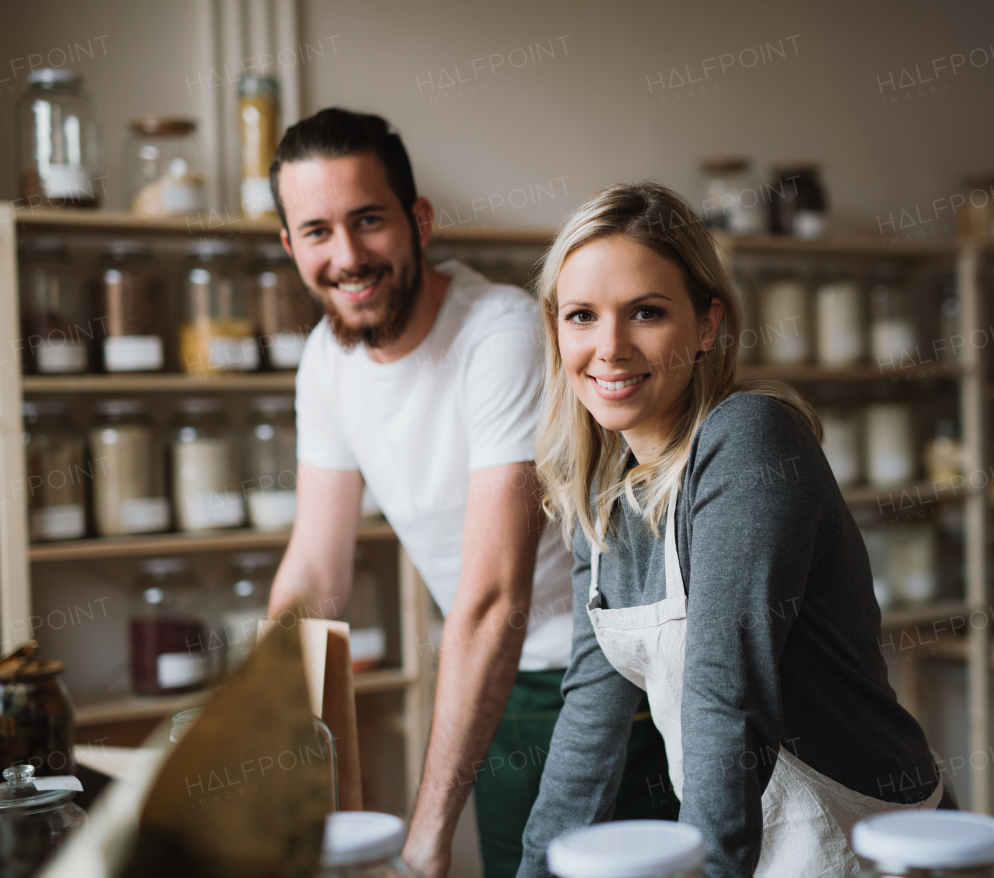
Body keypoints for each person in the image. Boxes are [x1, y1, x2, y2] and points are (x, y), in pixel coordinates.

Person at [263, 109, 675, 878]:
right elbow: (316, 573)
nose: (347, 256)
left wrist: (424, 843)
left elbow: (493, 598)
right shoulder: (326, 359)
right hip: (497, 689)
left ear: (418, 221)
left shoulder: (500, 334)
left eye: (368, 220)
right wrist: (256, 730)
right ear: (290, 247)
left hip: (604, 682)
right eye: (317, 231)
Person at [516, 182, 950, 878]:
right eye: (581, 316)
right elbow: (589, 721)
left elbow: (728, 695)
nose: (610, 347)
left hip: (863, 844)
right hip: (750, 842)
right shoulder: (601, 498)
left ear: (708, 324)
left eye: (647, 313)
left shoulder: (749, 440)